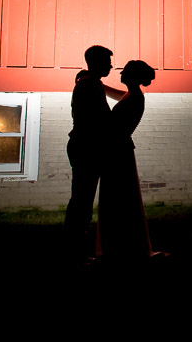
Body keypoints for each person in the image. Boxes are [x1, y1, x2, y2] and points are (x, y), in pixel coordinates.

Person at [96, 59, 160, 264]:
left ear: (132, 76)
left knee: (118, 196)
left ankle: (119, 247)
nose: (120, 74)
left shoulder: (135, 98)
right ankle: (123, 245)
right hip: (120, 150)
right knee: (122, 197)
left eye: (124, 72)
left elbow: (112, 123)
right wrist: (101, 86)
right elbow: (116, 94)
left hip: (118, 151)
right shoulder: (132, 95)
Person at [64, 45, 123, 264]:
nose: (110, 65)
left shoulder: (90, 84)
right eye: (107, 61)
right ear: (96, 62)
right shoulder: (89, 86)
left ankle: (75, 248)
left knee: (81, 199)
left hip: (83, 146)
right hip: (86, 148)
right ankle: (75, 252)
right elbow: (102, 119)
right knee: (82, 201)